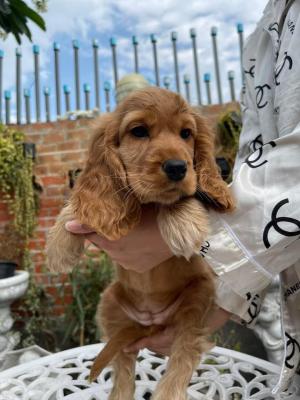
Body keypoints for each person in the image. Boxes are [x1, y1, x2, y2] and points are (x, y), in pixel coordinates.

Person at [66, 0, 300, 394]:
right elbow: (256, 164)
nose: (172, 150)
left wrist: (195, 232)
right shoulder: (266, 30)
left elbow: (222, 191)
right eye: (141, 131)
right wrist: (224, 299)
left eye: (185, 132)